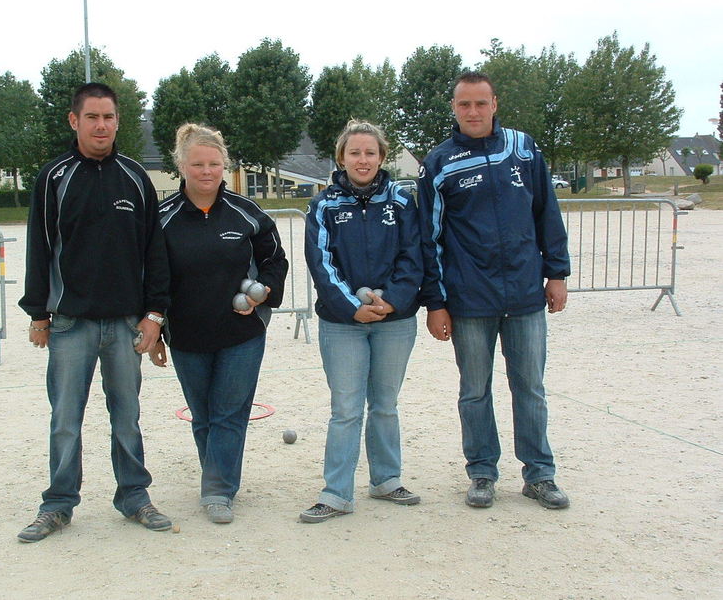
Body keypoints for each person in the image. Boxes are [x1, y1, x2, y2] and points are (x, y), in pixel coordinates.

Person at [17, 82, 172, 542]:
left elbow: (154, 252)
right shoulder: (54, 178)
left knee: (127, 415)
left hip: (126, 322)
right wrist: (38, 313)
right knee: (66, 418)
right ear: (74, 121)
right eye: (92, 117)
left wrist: (155, 315)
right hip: (69, 323)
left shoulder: (135, 177)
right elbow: (39, 248)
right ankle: (58, 504)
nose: (101, 125)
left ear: (117, 121)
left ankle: (134, 497)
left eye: (108, 117)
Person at [418, 71, 571, 510]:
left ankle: (539, 474)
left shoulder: (523, 148)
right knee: (474, 391)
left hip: (525, 295)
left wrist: (556, 273)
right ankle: (482, 471)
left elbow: (547, 212)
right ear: (453, 107)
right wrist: (436, 302)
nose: (473, 111)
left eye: (481, 103)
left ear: (495, 103)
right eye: (464, 104)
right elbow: (429, 238)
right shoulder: (439, 163)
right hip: (469, 301)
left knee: (530, 388)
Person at [151, 123, 288, 524]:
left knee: (229, 413)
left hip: (241, 334)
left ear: (224, 164)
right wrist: (155, 326)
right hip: (187, 336)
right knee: (203, 414)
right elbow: (152, 279)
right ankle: (217, 474)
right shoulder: (161, 219)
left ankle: (218, 489)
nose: (207, 171)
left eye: (214, 163)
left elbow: (274, 260)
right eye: (198, 164)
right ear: (181, 165)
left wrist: (264, 290)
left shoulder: (248, 214)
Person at [300, 120, 423, 523]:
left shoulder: (403, 202)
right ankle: (336, 492)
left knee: (385, 405)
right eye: (355, 152)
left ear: (383, 157)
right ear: (341, 158)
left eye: (370, 152)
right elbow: (321, 264)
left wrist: (392, 300)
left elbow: (413, 257)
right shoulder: (323, 205)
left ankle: (387, 480)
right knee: (346, 409)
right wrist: (352, 304)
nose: (363, 159)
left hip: (394, 320)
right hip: (342, 323)